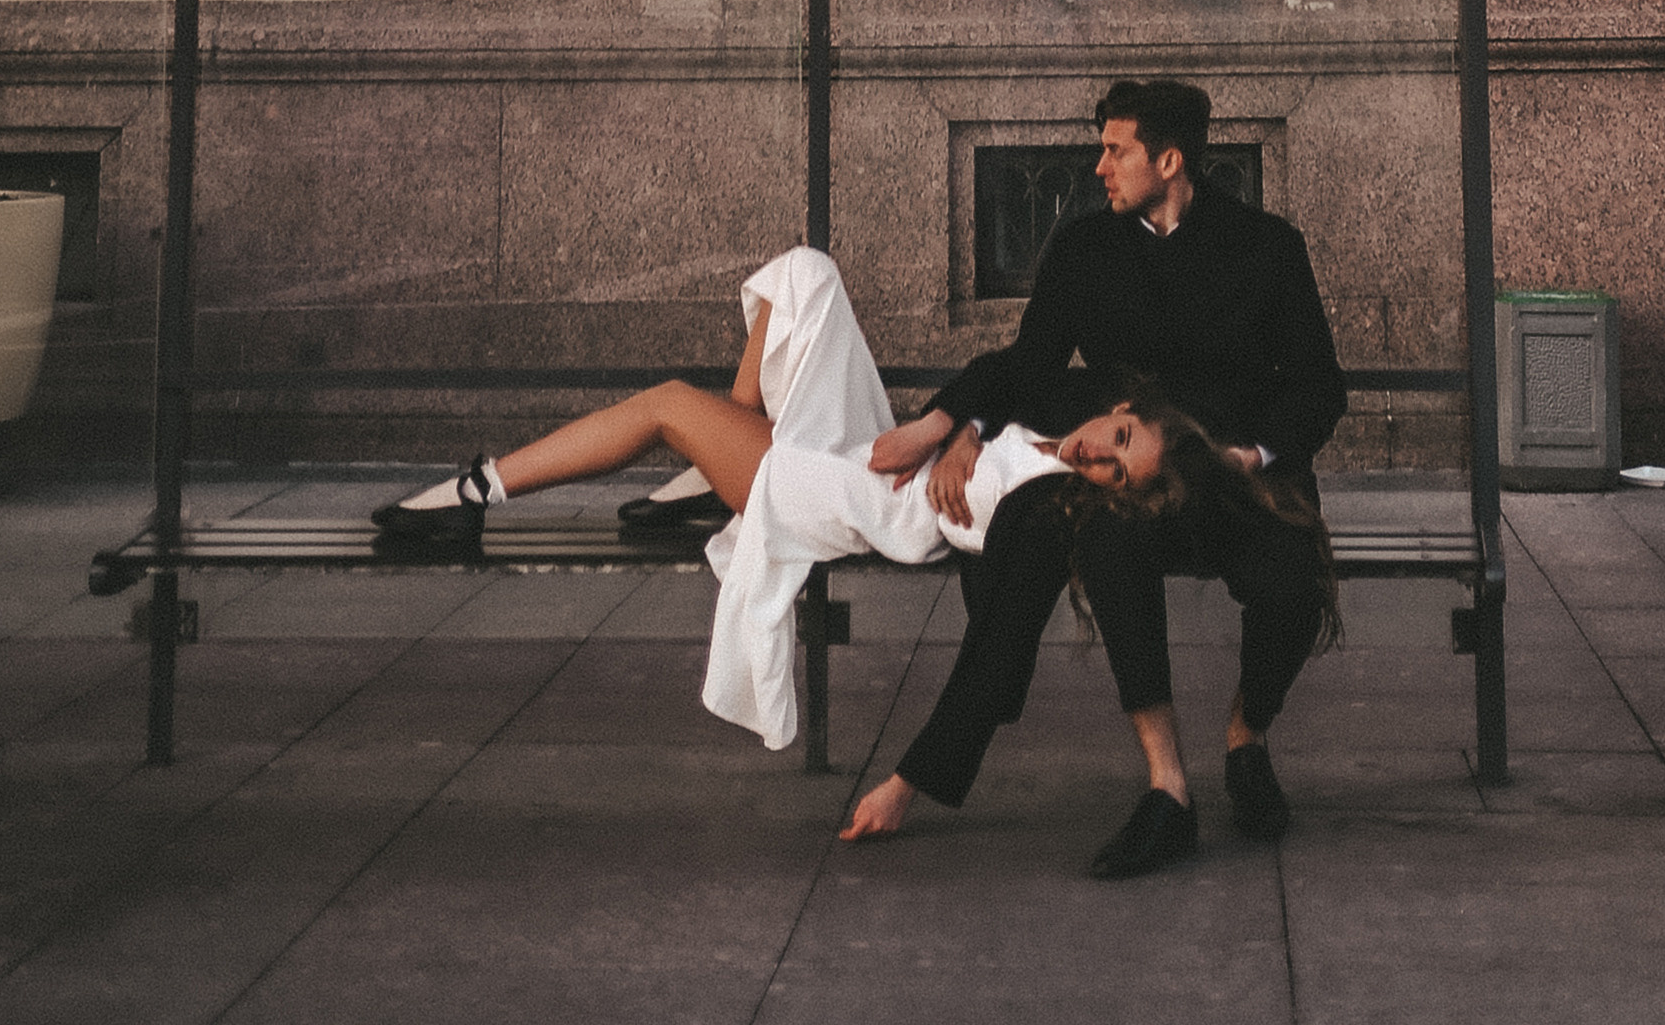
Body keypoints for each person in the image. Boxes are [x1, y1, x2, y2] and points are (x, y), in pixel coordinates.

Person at [368, 244, 1204, 760]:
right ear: (1122, 412)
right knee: (806, 272)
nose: (1099, 457)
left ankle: (478, 491)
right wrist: (960, 434)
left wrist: (968, 472)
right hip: (877, 452)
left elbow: (1000, 573)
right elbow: (1000, 371)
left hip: (845, 497)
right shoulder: (1064, 419)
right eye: (1119, 440)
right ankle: (709, 476)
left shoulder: (1051, 504)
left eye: (1115, 475)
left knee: (666, 403)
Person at [844, 75, 1347, 879]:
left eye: (1116, 150)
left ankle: (1246, 737)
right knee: (1082, 543)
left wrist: (1253, 455)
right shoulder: (1086, 248)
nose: (1099, 167)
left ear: (1171, 158)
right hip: (1124, 479)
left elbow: (1320, 388)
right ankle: (1166, 787)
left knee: (1290, 582)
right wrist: (968, 428)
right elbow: (1027, 363)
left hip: (1238, 477)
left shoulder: (1266, 246)